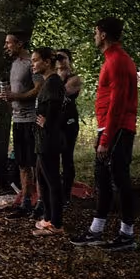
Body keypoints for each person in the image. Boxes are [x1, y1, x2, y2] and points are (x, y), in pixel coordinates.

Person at [70, 17, 139, 252]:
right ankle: (96, 231)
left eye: (95, 32)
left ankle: (127, 234)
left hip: (118, 129)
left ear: (103, 34)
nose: (94, 36)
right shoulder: (114, 59)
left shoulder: (118, 61)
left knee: (120, 181)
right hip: (111, 128)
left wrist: (107, 138)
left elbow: (118, 104)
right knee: (103, 180)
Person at [0, 32, 43, 217]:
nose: (6, 46)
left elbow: (39, 89)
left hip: (31, 119)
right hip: (17, 119)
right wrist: (4, 95)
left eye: (9, 43)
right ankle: (25, 203)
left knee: (35, 163)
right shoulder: (14, 64)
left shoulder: (32, 62)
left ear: (20, 44)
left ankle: (41, 203)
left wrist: (17, 96)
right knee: (22, 163)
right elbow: (14, 92)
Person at [30, 49, 66, 236]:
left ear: (46, 62)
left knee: (52, 181)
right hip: (42, 140)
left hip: (49, 141)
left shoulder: (53, 82)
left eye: (36, 60)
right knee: (43, 180)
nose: (33, 64)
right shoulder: (47, 82)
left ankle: (56, 223)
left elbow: (56, 107)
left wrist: (48, 123)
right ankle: (48, 217)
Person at [56, 49, 82, 208]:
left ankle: (66, 194)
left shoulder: (75, 78)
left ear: (69, 60)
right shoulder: (52, 76)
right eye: (57, 57)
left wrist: (62, 71)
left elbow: (59, 93)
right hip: (54, 122)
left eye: (62, 57)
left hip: (69, 121)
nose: (59, 60)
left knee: (67, 158)